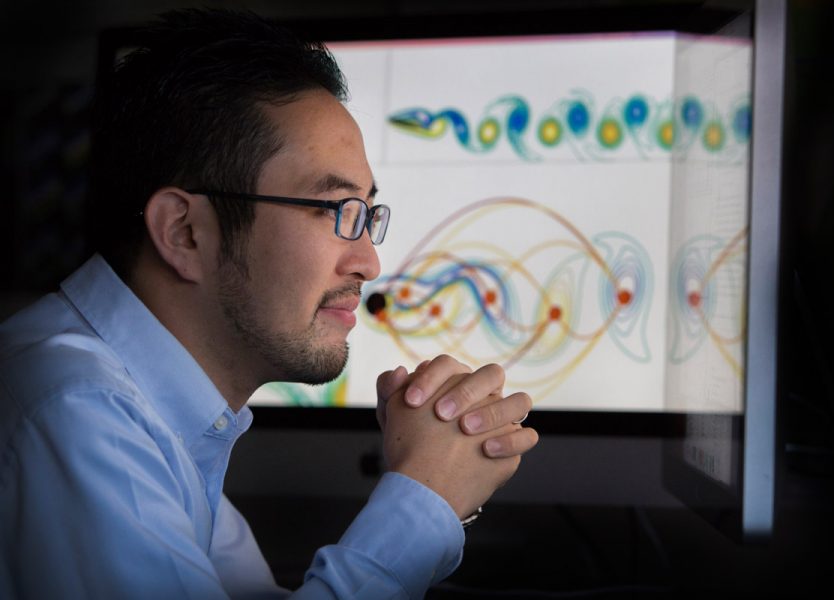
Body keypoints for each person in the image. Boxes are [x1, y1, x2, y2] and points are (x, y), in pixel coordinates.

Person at [0, 9, 538, 599]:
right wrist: (425, 498)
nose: (368, 263)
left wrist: (435, 479)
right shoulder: (77, 411)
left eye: (367, 215)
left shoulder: (160, 421)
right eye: (335, 212)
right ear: (184, 232)